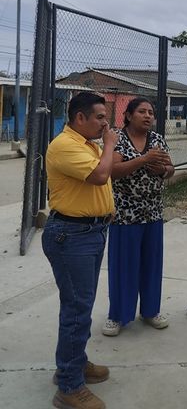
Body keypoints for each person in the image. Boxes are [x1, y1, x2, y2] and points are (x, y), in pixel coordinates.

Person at [42, 92, 119, 409]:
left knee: (79, 307)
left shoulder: (86, 143)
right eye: (100, 117)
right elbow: (101, 175)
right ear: (80, 118)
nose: (105, 123)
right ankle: (69, 387)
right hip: (71, 236)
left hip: (90, 233)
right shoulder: (64, 145)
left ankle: (72, 365)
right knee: (77, 310)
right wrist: (110, 146)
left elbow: (102, 174)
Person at [102, 97, 174, 336]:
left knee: (151, 265)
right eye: (142, 111)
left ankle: (151, 311)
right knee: (124, 267)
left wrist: (162, 170)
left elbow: (170, 169)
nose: (147, 116)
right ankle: (117, 315)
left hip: (153, 212)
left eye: (150, 112)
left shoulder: (157, 139)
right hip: (125, 214)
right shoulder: (118, 138)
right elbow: (112, 171)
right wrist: (144, 159)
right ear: (128, 115)